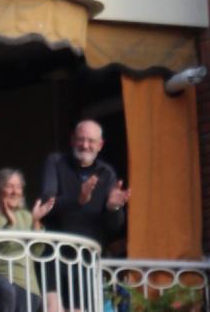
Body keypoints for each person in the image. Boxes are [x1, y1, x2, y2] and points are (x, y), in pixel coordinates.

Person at [38, 120, 131, 311]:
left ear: (100, 145)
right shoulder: (56, 162)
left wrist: (113, 208)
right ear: (72, 140)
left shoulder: (106, 173)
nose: (85, 145)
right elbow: (47, 203)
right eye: (81, 139)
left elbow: (114, 226)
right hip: (55, 255)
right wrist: (78, 199)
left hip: (86, 260)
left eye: (91, 141)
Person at [0, 168, 54, 312]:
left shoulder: (26, 215)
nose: (15, 192)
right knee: (5, 290)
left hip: (28, 284)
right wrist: (9, 223)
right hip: (1, 278)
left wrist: (36, 221)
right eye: (9, 186)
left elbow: (37, 251)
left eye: (18, 187)